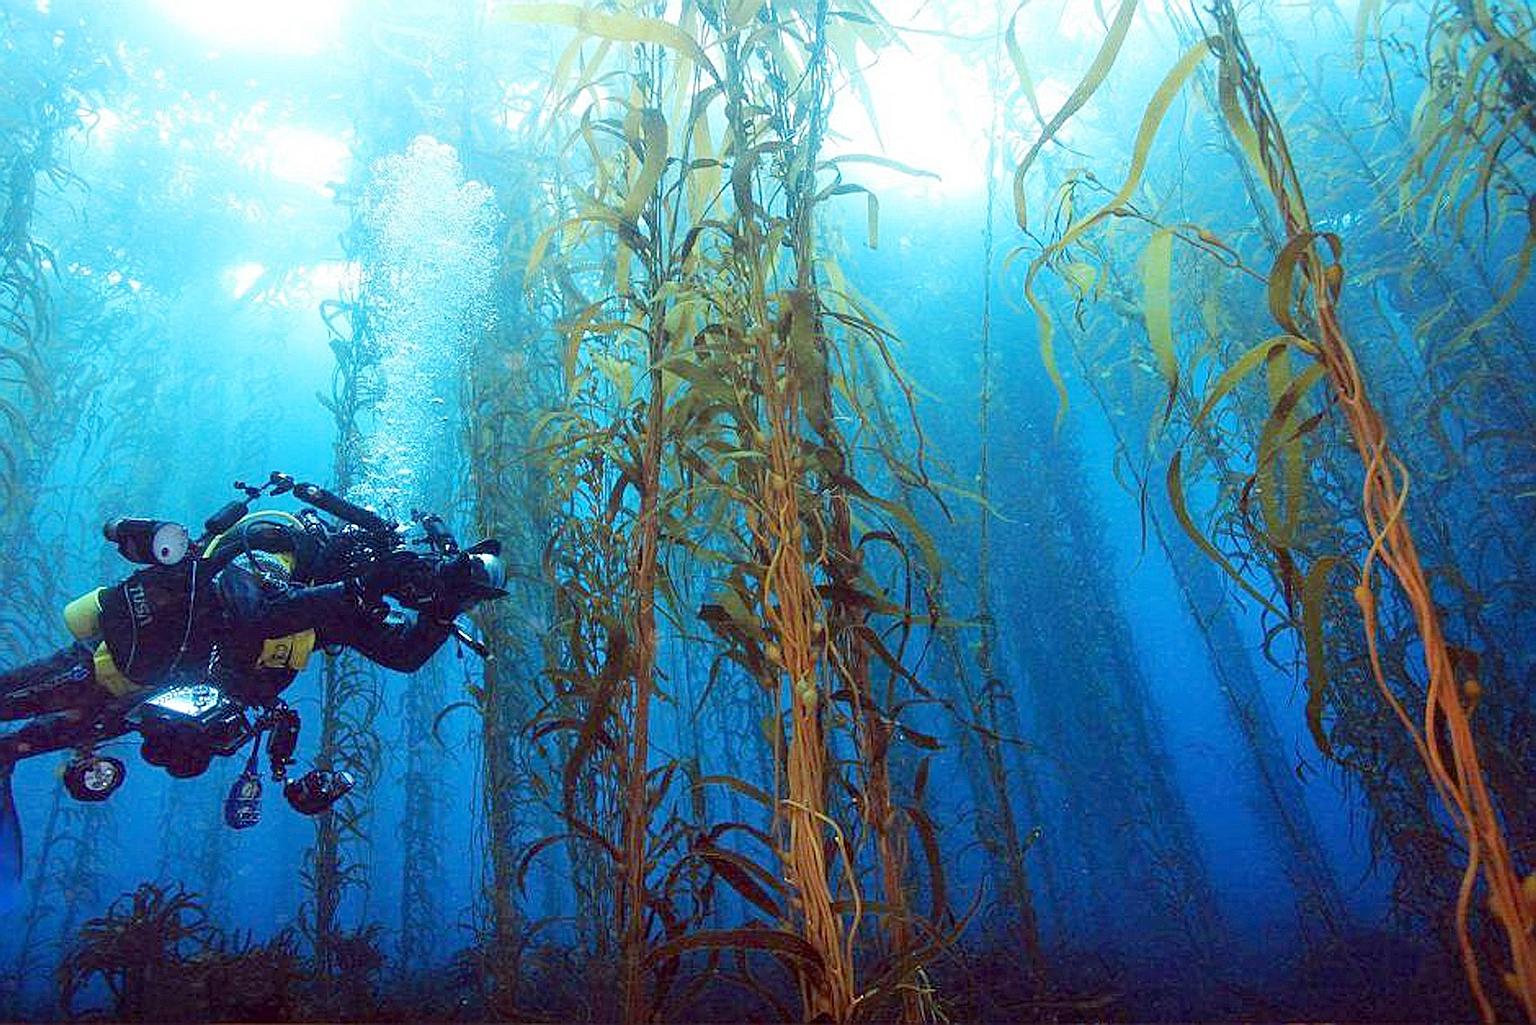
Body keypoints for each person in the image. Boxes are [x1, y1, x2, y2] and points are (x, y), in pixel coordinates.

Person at [0, 485, 506, 799]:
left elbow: (402, 655)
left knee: (26, 744)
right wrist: (357, 587)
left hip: (152, 696)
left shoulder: (342, 601)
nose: (392, 593)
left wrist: (444, 610)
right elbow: (255, 612)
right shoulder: (279, 545)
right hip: (115, 663)